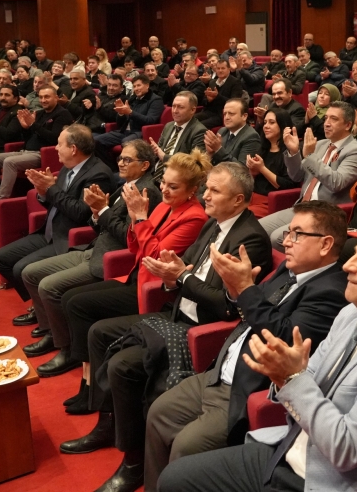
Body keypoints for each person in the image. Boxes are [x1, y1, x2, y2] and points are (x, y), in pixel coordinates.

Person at [157, 220, 357, 492]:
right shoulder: (351, 314)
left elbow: (346, 449)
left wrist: (290, 378)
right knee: (174, 478)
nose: (347, 265)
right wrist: (283, 375)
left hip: (323, 480)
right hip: (289, 448)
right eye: (354, 255)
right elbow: (308, 376)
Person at [60, 162, 272, 466]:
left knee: (121, 365)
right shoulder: (214, 223)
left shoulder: (249, 239)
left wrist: (181, 277)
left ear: (238, 199)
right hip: (176, 313)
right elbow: (181, 266)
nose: (206, 195)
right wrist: (173, 275)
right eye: (207, 188)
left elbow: (227, 305)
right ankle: (107, 423)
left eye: (214, 191)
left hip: (202, 330)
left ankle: (133, 460)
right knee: (98, 332)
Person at [141, 201, 350, 492]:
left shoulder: (331, 291)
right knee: (158, 412)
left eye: (297, 234)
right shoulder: (288, 270)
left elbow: (283, 338)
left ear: (326, 244)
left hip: (246, 389)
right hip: (220, 372)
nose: (286, 241)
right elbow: (247, 308)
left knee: (187, 447)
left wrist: (245, 289)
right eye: (288, 232)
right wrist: (234, 289)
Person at [54, 152, 215, 388]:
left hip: (154, 289)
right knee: (70, 298)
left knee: (79, 305)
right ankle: (86, 374)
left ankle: (88, 382)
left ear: (192, 190)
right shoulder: (164, 206)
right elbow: (135, 246)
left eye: (173, 187)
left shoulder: (194, 217)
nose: (164, 190)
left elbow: (155, 256)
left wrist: (140, 218)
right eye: (163, 183)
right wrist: (134, 219)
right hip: (135, 276)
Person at [20, 140, 162, 367]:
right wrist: (97, 213)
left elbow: (129, 236)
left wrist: (103, 210)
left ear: (145, 165)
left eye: (127, 160)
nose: (121, 163)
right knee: (30, 272)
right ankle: (51, 332)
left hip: (111, 259)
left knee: (48, 286)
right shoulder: (125, 185)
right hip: (93, 249)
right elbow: (102, 225)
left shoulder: (147, 192)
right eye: (120, 158)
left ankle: (67, 349)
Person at [0, 125, 114, 314]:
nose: (55, 148)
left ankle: (41, 310)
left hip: (67, 237)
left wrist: (51, 189)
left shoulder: (98, 174)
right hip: (48, 231)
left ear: (73, 149)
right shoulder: (67, 168)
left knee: (21, 268)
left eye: (59, 144)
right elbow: (56, 202)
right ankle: (40, 304)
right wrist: (43, 193)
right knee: (0, 259)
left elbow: (80, 213)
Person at [257, 102, 357, 246]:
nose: (326, 123)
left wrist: (309, 156)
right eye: (326, 118)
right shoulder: (320, 144)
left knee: (278, 237)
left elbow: (336, 183)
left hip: (324, 213)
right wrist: (293, 152)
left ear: (348, 125)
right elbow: (296, 176)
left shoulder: (356, 152)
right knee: (257, 230)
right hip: (303, 207)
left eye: (333, 119)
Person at [0, 84, 74, 221]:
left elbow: (54, 138)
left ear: (56, 97)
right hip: (26, 151)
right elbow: (31, 136)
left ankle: (0, 203)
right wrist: (26, 128)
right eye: (41, 97)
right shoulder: (39, 113)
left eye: (47, 97)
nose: (43, 100)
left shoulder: (63, 114)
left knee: (9, 162)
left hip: (43, 154)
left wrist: (33, 125)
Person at [247, 109, 302, 217]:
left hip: (271, 202)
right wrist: (253, 171)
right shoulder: (262, 149)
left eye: (271, 122)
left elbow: (288, 185)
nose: (266, 126)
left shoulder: (290, 152)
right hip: (251, 197)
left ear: (282, 125)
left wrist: (262, 168)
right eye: (265, 122)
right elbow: (253, 181)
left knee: (238, 218)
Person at [149, 93, 208, 182]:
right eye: (173, 106)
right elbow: (159, 150)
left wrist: (164, 157)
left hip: (176, 180)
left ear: (192, 110)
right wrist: (154, 151)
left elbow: (193, 164)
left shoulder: (199, 131)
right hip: (154, 174)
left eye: (180, 107)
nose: (175, 111)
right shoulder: (169, 125)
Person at [204, 99, 261, 166]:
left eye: (231, 114)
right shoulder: (222, 131)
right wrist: (210, 153)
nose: (226, 117)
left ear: (244, 116)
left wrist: (218, 149)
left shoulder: (251, 137)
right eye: (225, 114)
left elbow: (242, 168)